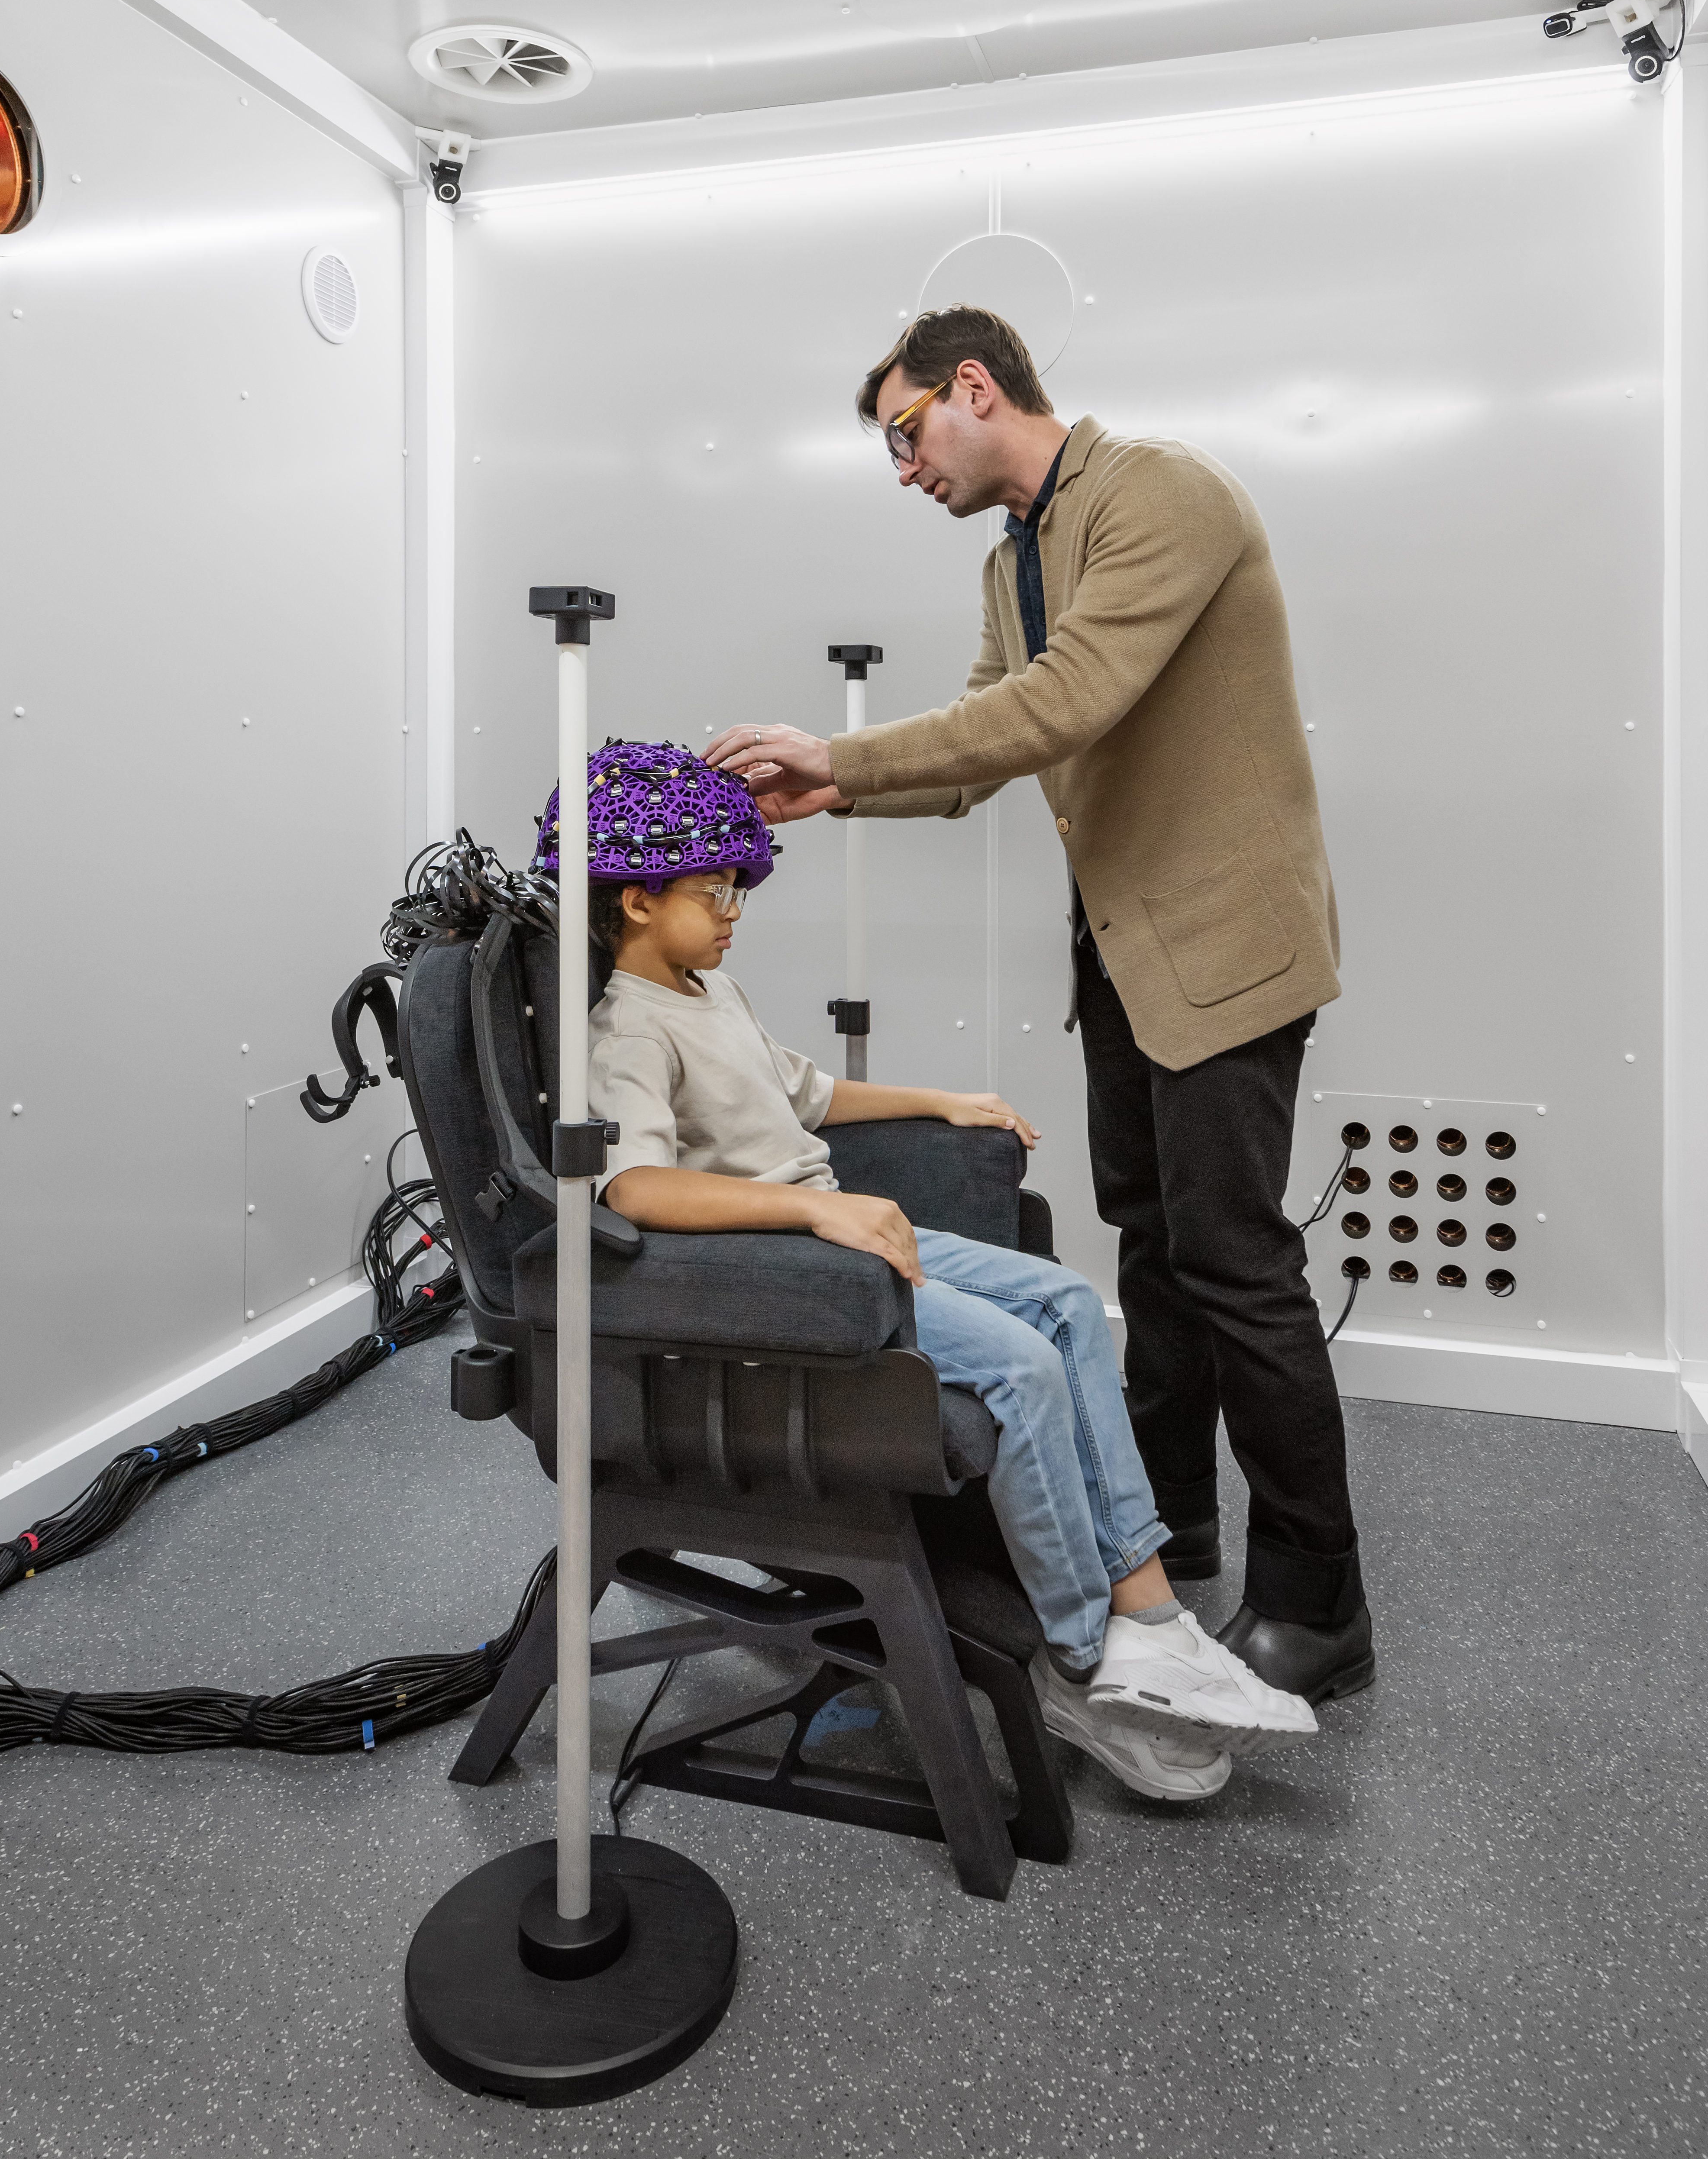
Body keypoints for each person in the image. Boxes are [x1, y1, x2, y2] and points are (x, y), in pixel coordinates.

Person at [704, 306, 1372, 1705]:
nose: (902, 470)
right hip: (1127, 954)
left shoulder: (1160, 497)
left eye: (904, 433)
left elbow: (1064, 705)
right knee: (1151, 1237)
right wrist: (821, 788)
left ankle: (1317, 1605)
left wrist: (838, 748)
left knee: (1236, 1259)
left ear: (971, 387)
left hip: (1225, 948)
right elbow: (973, 750)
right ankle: (1169, 1517)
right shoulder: (1014, 563)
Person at [533, 741, 1317, 1804]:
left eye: (736, 892)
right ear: (633, 901)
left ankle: (1151, 1621)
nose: (732, 912)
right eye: (712, 891)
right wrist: (817, 1205)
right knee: (1020, 1370)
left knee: (1069, 1308)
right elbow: (637, 1192)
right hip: (791, 1273)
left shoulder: (709, 991)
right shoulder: (623, 1030)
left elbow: (804, 1095)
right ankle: (1081, 1660)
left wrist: (943, 1100)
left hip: (837, 1236)